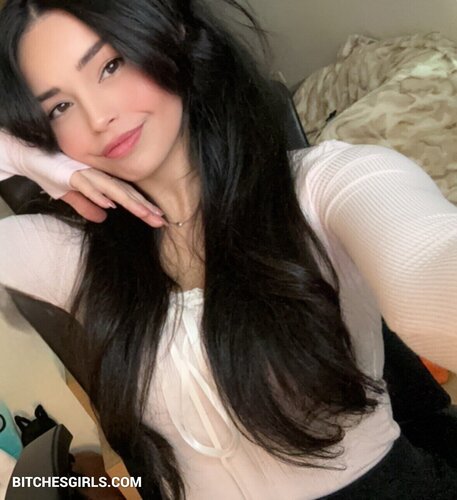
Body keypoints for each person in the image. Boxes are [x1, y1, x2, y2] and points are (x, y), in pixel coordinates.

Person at [0, 1, 456, 499]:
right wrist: (39, 162)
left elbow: (428, 265)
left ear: (171, 34)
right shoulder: (70, 255)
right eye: (59, 107)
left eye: (110, 66)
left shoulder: (323, 186)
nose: (98, 117)